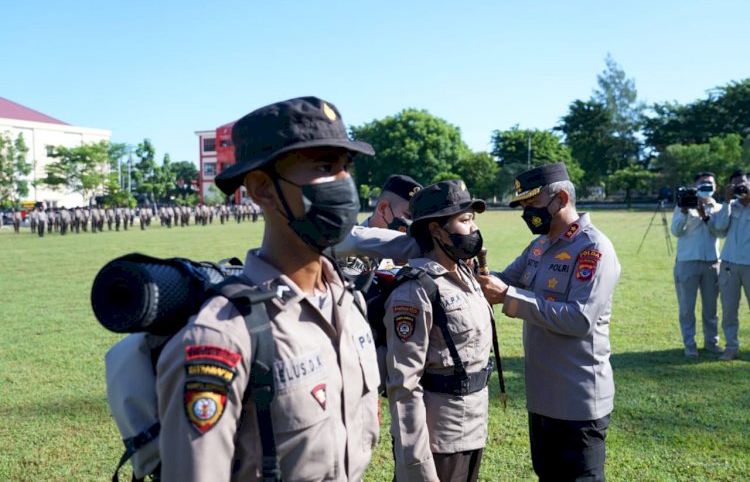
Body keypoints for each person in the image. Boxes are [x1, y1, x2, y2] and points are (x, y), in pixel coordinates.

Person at [155, 96, 380, 481]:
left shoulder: (348, 302)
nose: (345, 185)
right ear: (262, 189)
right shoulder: (225, 335)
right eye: (325, 166)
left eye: (346, 167)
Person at [476, 162, 620, 481]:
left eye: (532, 203)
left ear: (562, 198)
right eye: (523, 206)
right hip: (542, 396)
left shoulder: (593, 248)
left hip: (578, 400)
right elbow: (504, 279)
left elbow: (579, 319)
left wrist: (509, 297)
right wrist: (471, 274)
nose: (527, 212)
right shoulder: (540, 246)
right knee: (547, 475)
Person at [386, 180, 493, 482]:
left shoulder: (464, 274)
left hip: (473, 426)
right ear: (435, 230)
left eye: (472, 219)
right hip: (438, 438)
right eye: (464, 220)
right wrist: (416, 462)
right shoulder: (415, 291)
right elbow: (404, 385)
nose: (473, 229)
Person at [671, 172, 723, 357]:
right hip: (687, 262)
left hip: (712, 263)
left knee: (711, 308)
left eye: (710, 184)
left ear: (716, 187)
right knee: (687, 308)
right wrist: (685, 212)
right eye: (702, 184)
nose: (706, 187)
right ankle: (689, 345)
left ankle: (712, 342)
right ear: (695, 186)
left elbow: (721, 232)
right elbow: (676, 231)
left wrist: (705, 215)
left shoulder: (719, 208)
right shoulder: (683, 204)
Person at [708, 169, 750, 361]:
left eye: (744, 184)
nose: (741, 188)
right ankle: (731, 347)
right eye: (736, 185)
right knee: (729, 309)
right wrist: (726, 201)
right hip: (730, 265)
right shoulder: (730, 206)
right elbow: (719, 229)